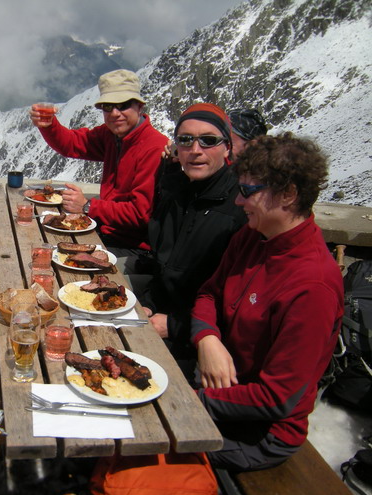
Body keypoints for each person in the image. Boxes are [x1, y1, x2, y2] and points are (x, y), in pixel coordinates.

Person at [191, 133, 344, 472]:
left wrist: (191, 400)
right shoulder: (254, 235)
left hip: (259, 433)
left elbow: (276, 398)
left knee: (136, 445)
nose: (238, 201)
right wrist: (208, 339)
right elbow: (208, 294)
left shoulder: (312, 287)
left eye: (248, 191)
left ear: (289, 195)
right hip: (215, 391)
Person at [139, 104, 247, 378]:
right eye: (186, 140)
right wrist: (148, 302)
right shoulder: (178, 192)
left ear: (227, 148)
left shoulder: (240, 208)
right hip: (161, 315)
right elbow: (163, 267)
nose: (195, 150)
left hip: (198, 340)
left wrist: (175, 326)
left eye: (208, 140)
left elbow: (235, 306)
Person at [30, 69, 168, 259]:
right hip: (106, 233)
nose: (115, 113)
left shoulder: (153, 147)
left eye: (124, 105)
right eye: (107, 107)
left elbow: (140, 214)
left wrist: (88, 206)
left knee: (57, 259)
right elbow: (72, 144)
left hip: (134, 248)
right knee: (41, 246)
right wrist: (49, 124)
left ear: (140, 106)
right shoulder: (112, 135)